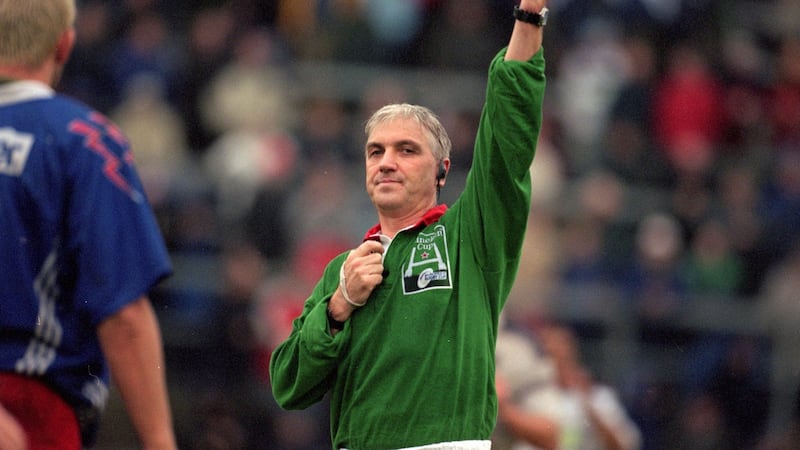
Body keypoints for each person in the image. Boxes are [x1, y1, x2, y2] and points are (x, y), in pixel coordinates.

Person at [269, 1, 548, 448]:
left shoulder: (471, 235)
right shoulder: (344, 269)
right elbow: (289, 385)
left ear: (442, 170)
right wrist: (338, 306)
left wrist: (529, 16)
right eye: (375, 151)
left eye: (407, 150)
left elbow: (508, 131)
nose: (386, 162)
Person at [0, 1, 177, 449]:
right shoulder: (84, 141)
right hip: (32, 410)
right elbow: (125, 316)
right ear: (64, 44)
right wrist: (160, 441)